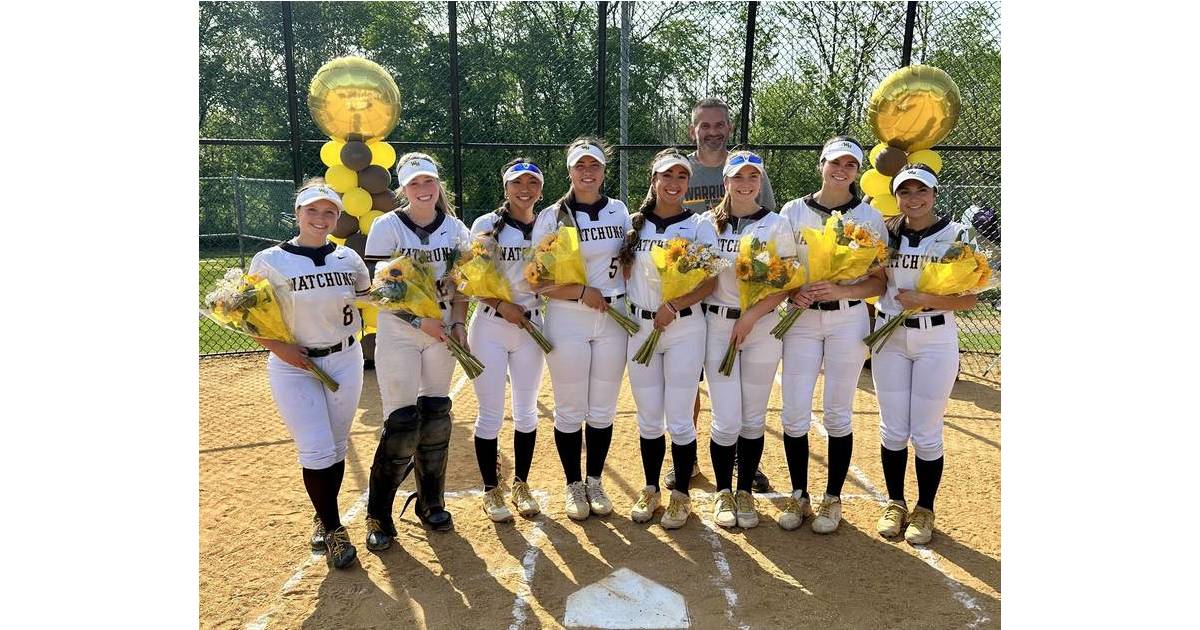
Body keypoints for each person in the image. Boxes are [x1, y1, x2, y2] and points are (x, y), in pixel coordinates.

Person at [248, 179, 371, 569]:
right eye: (313, 210)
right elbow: (250, 316)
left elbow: (368, 301)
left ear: (337, 217)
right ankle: (334, 530)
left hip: (344, 358)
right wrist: (279, 348)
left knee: (335, 447)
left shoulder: (348, 258)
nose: (321, 218)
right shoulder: (270, 260)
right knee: (317, 449)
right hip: (294, 365)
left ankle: (323, 515)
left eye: (329, 211)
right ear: (298, 213)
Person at [362, 153, 472, 550]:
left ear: (438, 185)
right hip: (401, 333)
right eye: (414, 184)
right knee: (403, 420)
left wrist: (458, 323)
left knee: (438, 414)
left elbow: (463, 285)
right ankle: (378, 511)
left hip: (440, 332)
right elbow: (379, 291)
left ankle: (431, 501)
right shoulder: (387, 225)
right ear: (403, 189)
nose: (424, 191)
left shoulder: (456, 228)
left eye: (429, 182)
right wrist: (417, 320)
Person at [777, 137, 887, 533]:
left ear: (857, 172)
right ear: (821, 164)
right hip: (803, 319)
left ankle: (832, 498)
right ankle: (798, 493)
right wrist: (793, 290)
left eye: (850, 165)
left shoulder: (868, 216)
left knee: (838, 411)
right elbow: (778, 267)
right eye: (835, 162)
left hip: (847, 318)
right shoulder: (793, 211)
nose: (841, 170)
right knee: (793, 410)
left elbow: (878, 282)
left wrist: (843, 289)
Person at [667, 97, 776, 493]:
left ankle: (740, 465)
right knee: (690, 385)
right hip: (693, 298)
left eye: (719, 124)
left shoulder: (751, 169)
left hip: (741, 295)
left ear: (729, 127)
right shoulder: (684, 170)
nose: (713, 131)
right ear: (693, 130)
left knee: (743, 401)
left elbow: (768, 235)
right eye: (704, 125)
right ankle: (688, 456)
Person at [872, 165, 979, 545]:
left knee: (927, 431)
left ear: (934, 193)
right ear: (897, 195)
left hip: (935, 339)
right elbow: (875, 279)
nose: (913, 199)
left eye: (921, 191)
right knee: (893, 428)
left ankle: (924, 508)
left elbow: (971, 297)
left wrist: (926, 299)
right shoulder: (888, 232)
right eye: (905, 192)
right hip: (890, 335)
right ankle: (895, 501)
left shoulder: (955, 235)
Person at [616, 149, 718, 529]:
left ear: (687, 183)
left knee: (679, 417)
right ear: (653, 180)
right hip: (641, 326)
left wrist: (674, 304)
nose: (673, 183)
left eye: (681, 176)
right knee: (647, 417)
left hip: (685, 327)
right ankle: (650, 488)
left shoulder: (699, 225)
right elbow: (623, 273)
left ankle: (680, 496)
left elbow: (710, 280)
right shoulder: (633, 224)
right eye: (666, 176)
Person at [531, 137, 632, 521]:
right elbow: (537, 280)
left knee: (603, 409)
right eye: (580, 166)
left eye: (594, 166)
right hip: (567, 316)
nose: (587, 172)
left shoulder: (620, 211)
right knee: (570, 408)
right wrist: (580, 292)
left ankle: (595, 480)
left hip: (613, 318)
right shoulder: (552, 216)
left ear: (604, 172)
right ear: (570, 171)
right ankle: (573, 483)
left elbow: (628, 263)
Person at [702, 150, 795, 529]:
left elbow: (786, 282)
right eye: (738, 177)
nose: (745, 184)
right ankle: (723, 491)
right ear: (726, 181)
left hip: (761, 327)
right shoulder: (707, 224)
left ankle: (744, 492)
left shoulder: (776, 223)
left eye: (752, 177)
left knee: (753, 418)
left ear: (760, 182)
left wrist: (752, 316)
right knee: (725, 419)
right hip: (718, 326)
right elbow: (700, 276)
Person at [469, 158, 548, 522]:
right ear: (506, 188)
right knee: (489, 413)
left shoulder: (549, 223)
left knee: (527, 410)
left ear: (541, 189)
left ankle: (521, 483)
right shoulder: (486, 224)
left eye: (532, 182)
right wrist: (502, 305)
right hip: (490, 325)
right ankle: (491, 489)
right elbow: (471, 279)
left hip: (531, 327)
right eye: (517, 183)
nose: (525, 189)